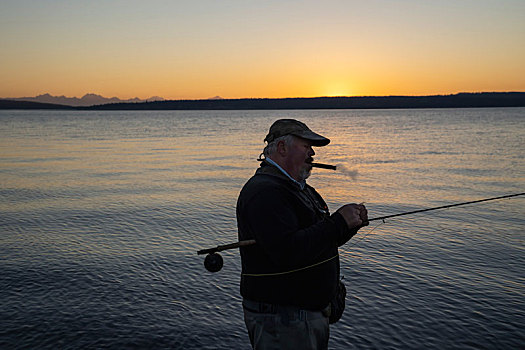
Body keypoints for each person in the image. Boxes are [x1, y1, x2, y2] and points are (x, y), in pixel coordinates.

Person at [236, 119, 368, 349]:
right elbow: (288, 251)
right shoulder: (265, 193)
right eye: (306, 146)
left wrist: (350, 224)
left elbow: (319, 241)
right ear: (282, 148)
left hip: (301, 316)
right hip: (283, 318)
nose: (312, 153)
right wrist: (338, 222)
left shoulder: (299, 189)